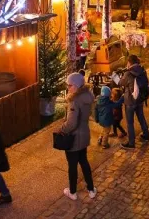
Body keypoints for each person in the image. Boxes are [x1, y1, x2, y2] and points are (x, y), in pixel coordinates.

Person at [60, 72, 96, 201]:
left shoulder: (74, 101)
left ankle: (73, 192)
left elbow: (71, 123)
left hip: (74, 138)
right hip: (85, 134)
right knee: (84, 162)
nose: (68, 88)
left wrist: (62, 129)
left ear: (76, 86)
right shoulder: (88, 96)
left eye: (69, 85)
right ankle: (91, 189)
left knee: (72, 166)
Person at [119, 55, 149, 149]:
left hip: (130, 101)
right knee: (141, 117)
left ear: (129, 62)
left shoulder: (128, 73)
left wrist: (114, 76)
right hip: (140, 99)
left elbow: (121, 83)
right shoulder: (142, 70)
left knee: (130, 122)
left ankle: (131, 143)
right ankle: (146, 134)